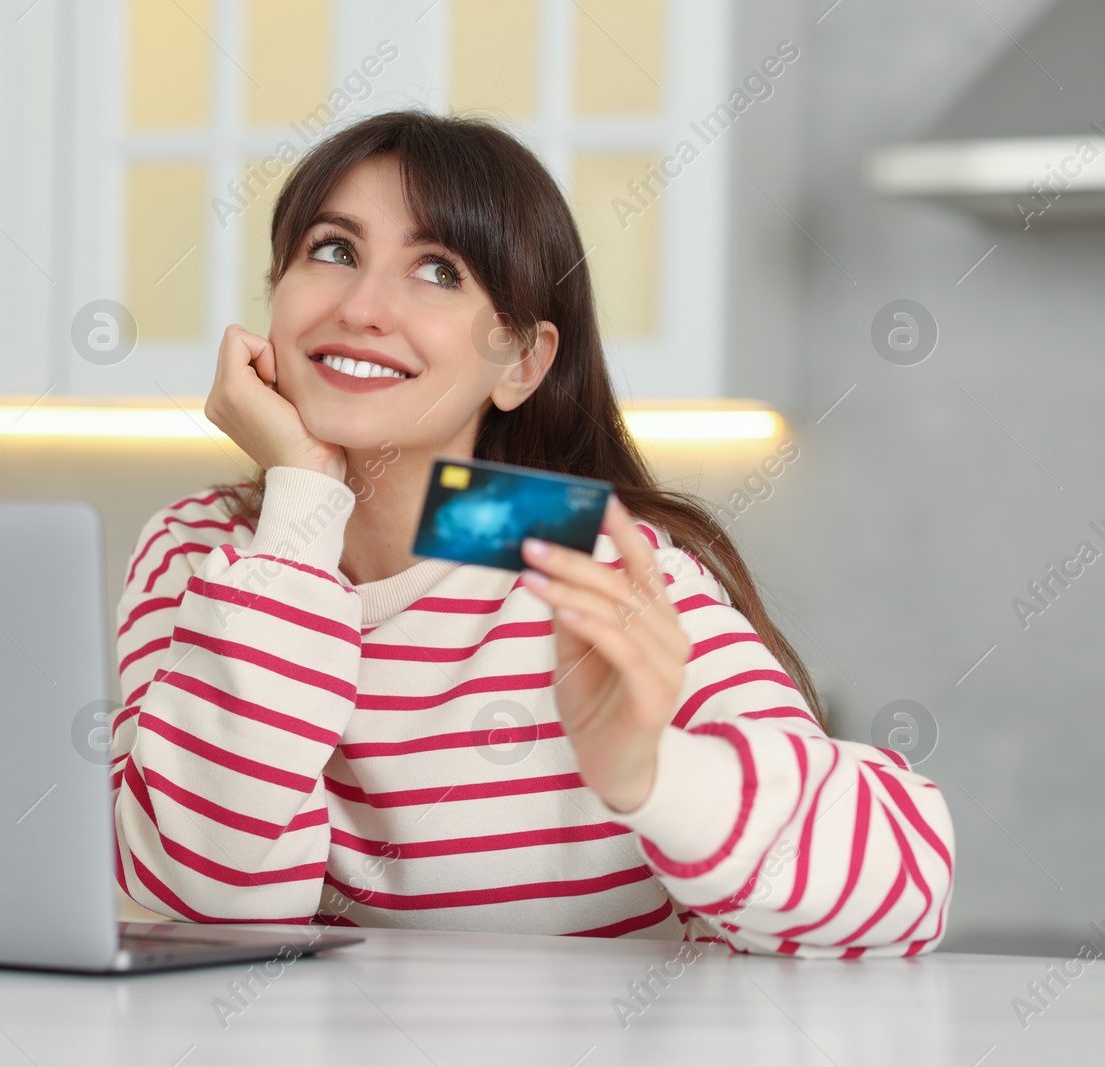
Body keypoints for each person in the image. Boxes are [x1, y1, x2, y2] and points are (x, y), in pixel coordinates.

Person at [111, 110, 954, 957]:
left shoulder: (567, 547)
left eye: (438, 270)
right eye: (333, 250)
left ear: (520, 361)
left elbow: (906, 872)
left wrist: (651, 774)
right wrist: (300, 505)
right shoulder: (201, 546)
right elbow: (206, 912)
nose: (362, 306)